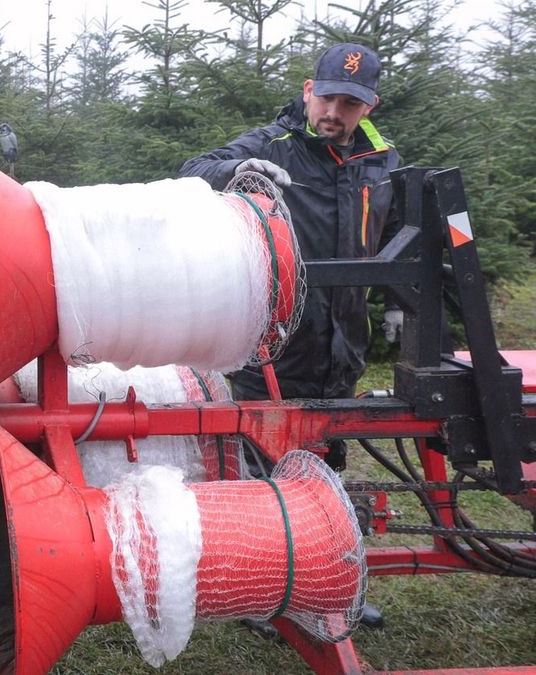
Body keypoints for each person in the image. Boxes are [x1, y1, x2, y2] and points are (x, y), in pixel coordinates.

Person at [181, 43, 401, 634]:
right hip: (275, 341)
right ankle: (260, 592)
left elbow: (402, 237)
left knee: (325, 460)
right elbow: (190, 171)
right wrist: (235, 173)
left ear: (368, 105)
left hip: (343, 343)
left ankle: (328, 583)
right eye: (327, 97)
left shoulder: (382, 161)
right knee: (262, 463)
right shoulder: (270, 145)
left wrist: (405, 303)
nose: (335, 111)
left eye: (350, 103)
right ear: (309, 90)